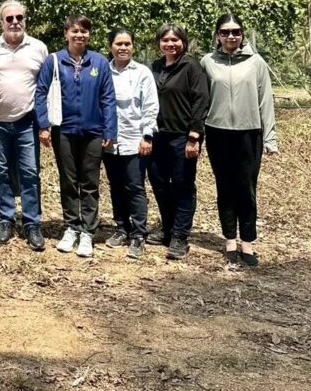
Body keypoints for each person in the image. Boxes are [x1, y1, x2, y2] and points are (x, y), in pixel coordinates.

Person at [34, 15, 117, 258]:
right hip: (64, 131)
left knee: (89, 182)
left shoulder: (99, 62)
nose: (80, 35)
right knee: (68, 181)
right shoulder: (54, 61)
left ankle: (88, 231)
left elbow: (108, 98)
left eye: (84, 31)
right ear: (66, 34)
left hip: (93, 132)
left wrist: (109, 130)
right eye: (75, 31)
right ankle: (71, 227)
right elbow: (40, 93)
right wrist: (43, 125)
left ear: (89, 35)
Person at [201, 14, 278, 267]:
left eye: (236, 31)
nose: (231, 36)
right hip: (218, 132)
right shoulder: (208, 62)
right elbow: (202, 100)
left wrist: (270, 138)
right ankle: (230, 240)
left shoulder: (256, 62)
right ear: (217, 35)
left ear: (242, 34)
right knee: (224, 187)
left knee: (246, 188)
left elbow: (266, 101)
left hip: (249, 132)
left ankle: (248, 241)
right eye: (225, 32)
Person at [0, 0, 48, 252]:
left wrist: (45, 123)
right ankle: (5, 218)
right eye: (9, 18)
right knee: (1, 172)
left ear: (25, 20)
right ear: (1, 22)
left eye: (19, 17)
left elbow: (45, 87)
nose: (14, 22)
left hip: (27, 121)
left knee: (30, 172)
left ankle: (32, 223)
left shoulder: (38, 48)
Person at [149, 24, 210, 260]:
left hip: (182, 137)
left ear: (183, 42)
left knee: (183, 185)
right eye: (165, 40)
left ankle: (180, 236)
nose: (170, 44)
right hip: (158, 136)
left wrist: (194, 136)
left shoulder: (191, 67)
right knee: (159, 183)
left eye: (175, 40)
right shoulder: (155, 66)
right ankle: (167, 229)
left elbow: (201, 100)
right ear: (159, 43)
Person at [102, 28, 159, 259]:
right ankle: (121, 228)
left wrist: (147, 136)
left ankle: (138, 234)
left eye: (127, 43)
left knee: (135, 186)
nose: (123, 48)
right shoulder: (103, 70)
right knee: (115, 185)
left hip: (135, 140)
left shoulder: (142, 72)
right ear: (111, 47)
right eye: (119, 44)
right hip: (110, 140)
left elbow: (150, 106)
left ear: (133, 46)